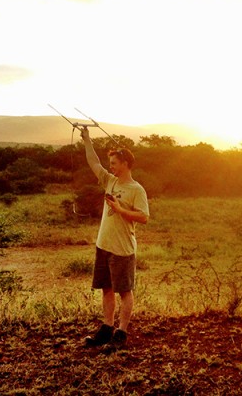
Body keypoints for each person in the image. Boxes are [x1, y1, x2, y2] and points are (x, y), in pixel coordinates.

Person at [79, 127, 149, 350]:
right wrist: (87, 140)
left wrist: (119, 209)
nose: (111, 166)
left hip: (122, 248)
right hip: (104, 245)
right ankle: (107, 328)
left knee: (124, 291)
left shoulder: (136, 189)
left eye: (115, 163)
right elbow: (94, 163)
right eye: (110, 163)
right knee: (106, 289)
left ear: (126, 164)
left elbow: (144, 217)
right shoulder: (109, 180)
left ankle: (121, 333)